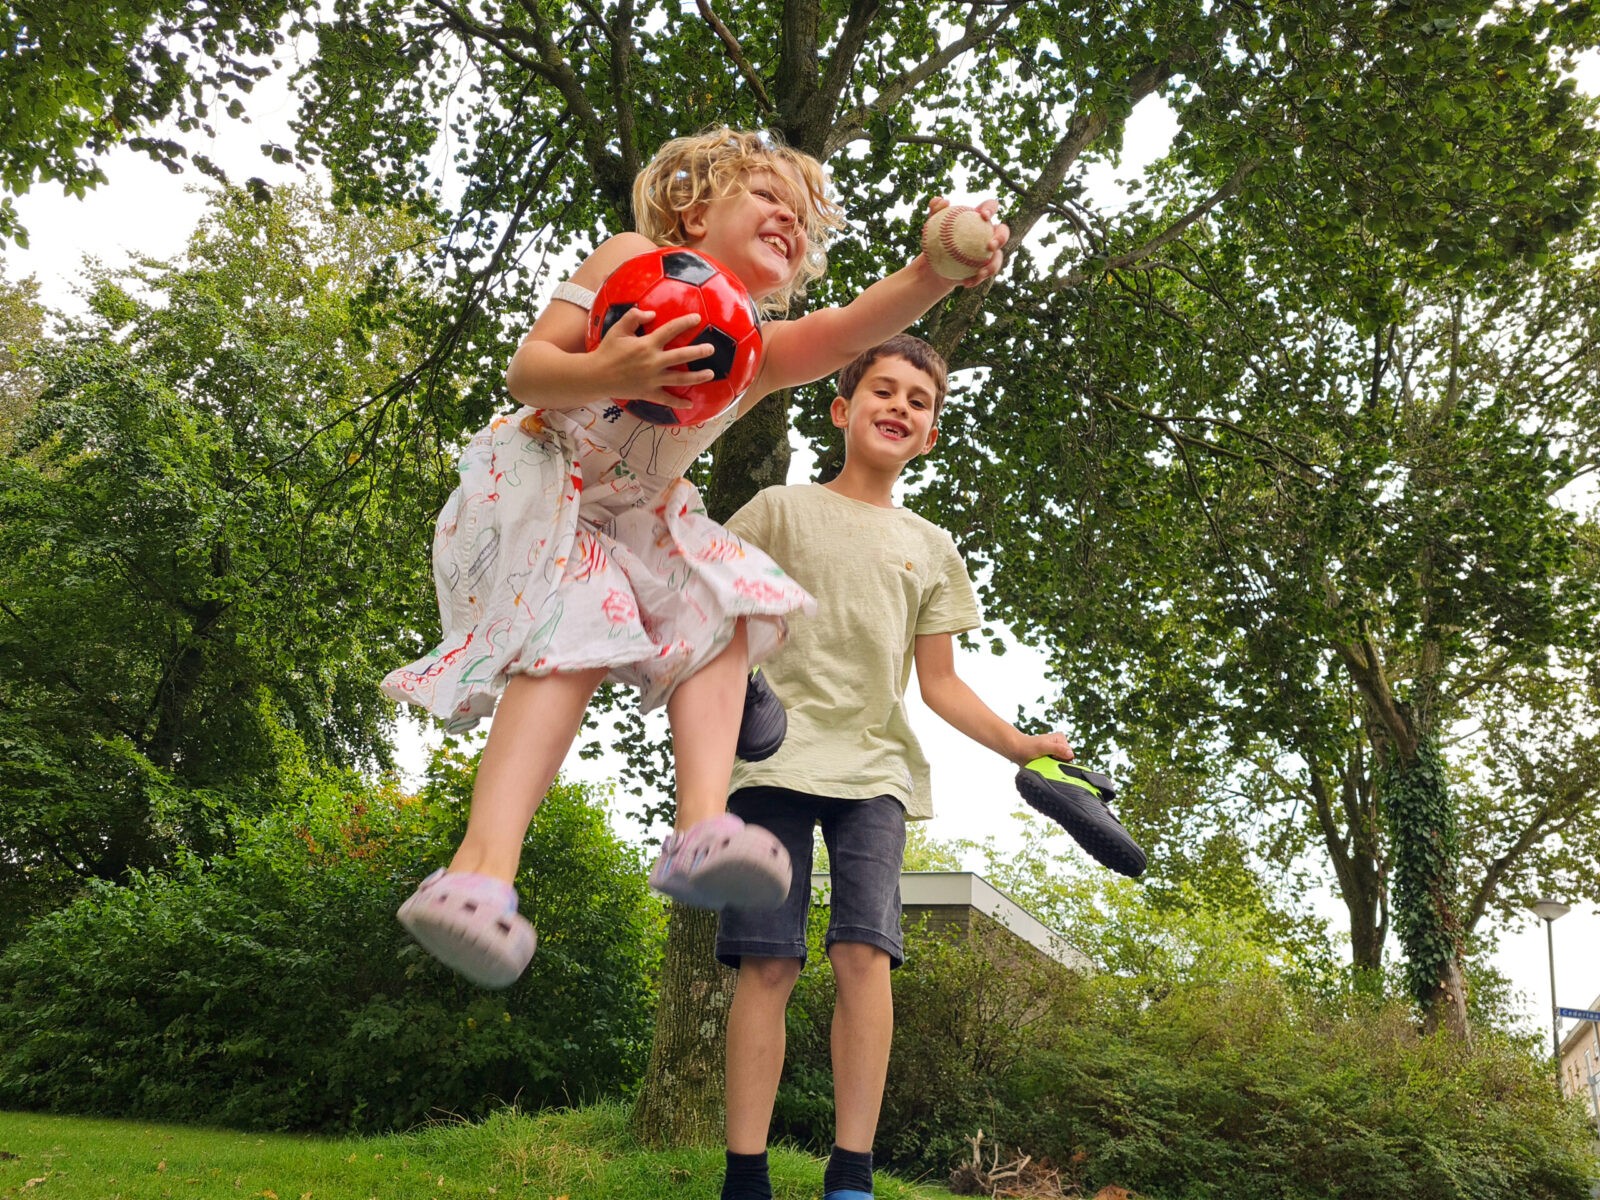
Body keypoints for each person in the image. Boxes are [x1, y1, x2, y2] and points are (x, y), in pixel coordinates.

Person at [380, 128, 1009, 989]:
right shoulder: (633, 259)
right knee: (571, 645)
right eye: (767, 199)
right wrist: (608, 366)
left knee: (728, 609)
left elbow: (855, 326)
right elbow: (529, 372)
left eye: (802, 221)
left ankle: (702, 827)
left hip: (635, 516)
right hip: (542, 484)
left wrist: (935, 270)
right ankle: (477, 874)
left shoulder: (762, 347)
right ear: (693, 209)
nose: (788, 220)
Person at [714, 335, 1078, 1200]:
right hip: (768, 762)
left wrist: (1020, 744)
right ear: (842, 410)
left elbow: (941, 684)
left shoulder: (932, 547)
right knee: (769, 962)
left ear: (930, 436)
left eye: (920, 401)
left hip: (874, 772)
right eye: (884, 389)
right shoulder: (777, 511)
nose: (901, 406)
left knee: (863, 958)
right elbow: (709, 617)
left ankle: (851, 1174)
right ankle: (745, 1176)